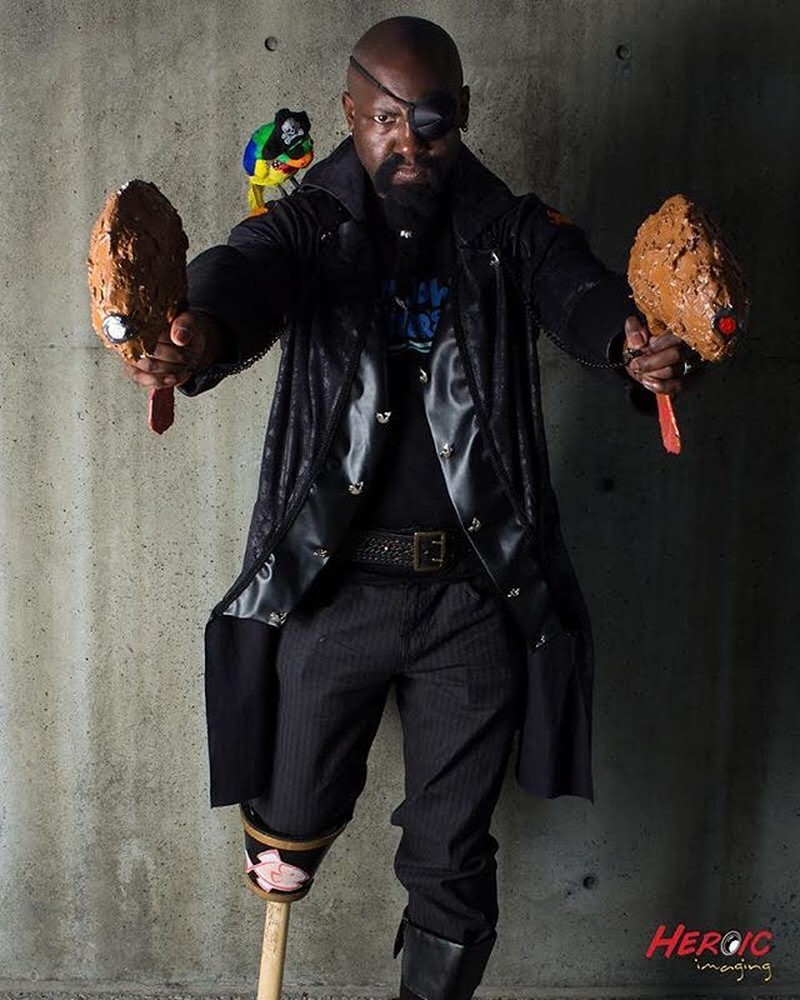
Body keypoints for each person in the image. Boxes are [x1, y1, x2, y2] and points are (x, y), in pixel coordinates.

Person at [121, 16, 688, 1000]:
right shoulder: (309, 223)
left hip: (470, 601)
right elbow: (242, 274)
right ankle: (284, 843)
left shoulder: (507, 229)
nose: (409, 141)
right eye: (386, 119)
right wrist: (195, 334)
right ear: (351, 113)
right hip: (334, 588)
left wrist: (628, 344)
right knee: (285, 835)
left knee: (452, 857)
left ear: (461, 114)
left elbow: (579, 289)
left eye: (429, 120)